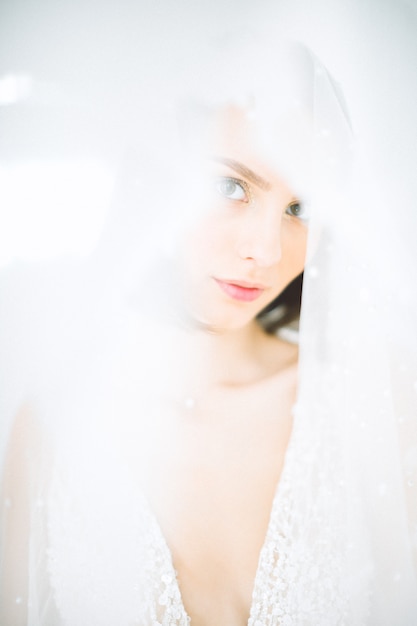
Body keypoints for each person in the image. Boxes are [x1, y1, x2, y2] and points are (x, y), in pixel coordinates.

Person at [1, 2, 417, 625]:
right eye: (231, 187)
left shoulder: (370, 398)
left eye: (300, 209)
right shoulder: (54, 424)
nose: (267, 250)